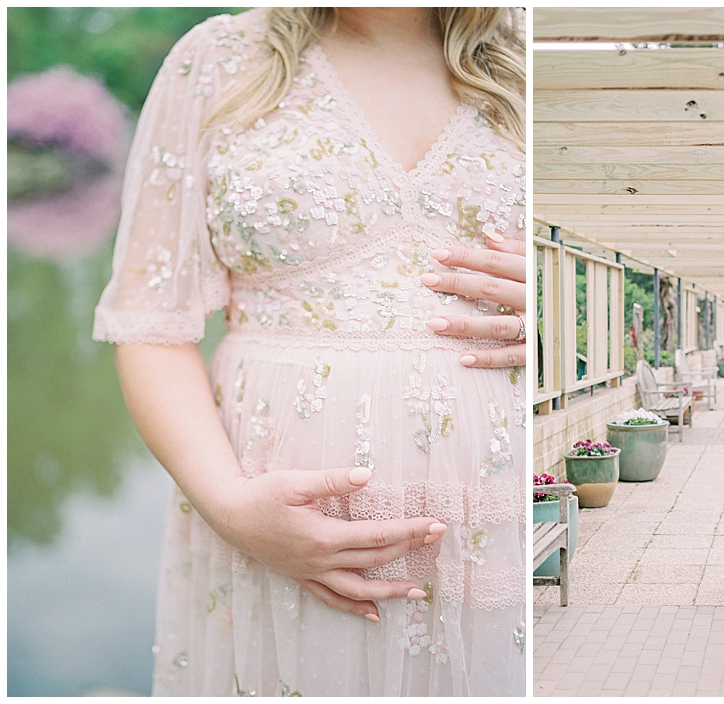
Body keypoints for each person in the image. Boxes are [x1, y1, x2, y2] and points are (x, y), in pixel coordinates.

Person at [93, 7, 526, 696]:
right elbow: (150, 325)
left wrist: (552, 306)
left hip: (488, 522)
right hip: (274, 535)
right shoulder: (221, 59)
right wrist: (232, 508)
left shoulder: (532, 55)